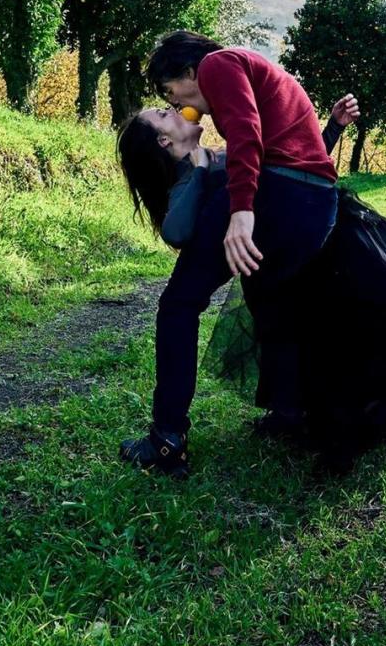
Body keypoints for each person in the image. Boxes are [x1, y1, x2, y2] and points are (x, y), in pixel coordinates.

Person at [119, 79, 386, 475]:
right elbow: (179, 231)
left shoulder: (222, 153)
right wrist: (200, 169)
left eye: (168, 104)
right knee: (200, 310)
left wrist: (333, 128)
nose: (172, 108)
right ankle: (172, 436)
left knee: (333, 320)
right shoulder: (194, 175)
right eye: (163, 114)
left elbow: (293, 167)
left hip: (310, 239)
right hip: (287, 247)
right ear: (164, 142)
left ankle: (252, 419)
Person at [118, 31, 341, 478]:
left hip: (279, 192)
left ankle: (167, 441)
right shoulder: (248, 71)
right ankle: (289, 412)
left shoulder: (217, 65)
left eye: (168, 92)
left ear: (186, 73)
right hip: (316, 204)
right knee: (269, 297)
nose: (175, 100)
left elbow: (248, 135)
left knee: (179, 305)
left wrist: (241, 211)